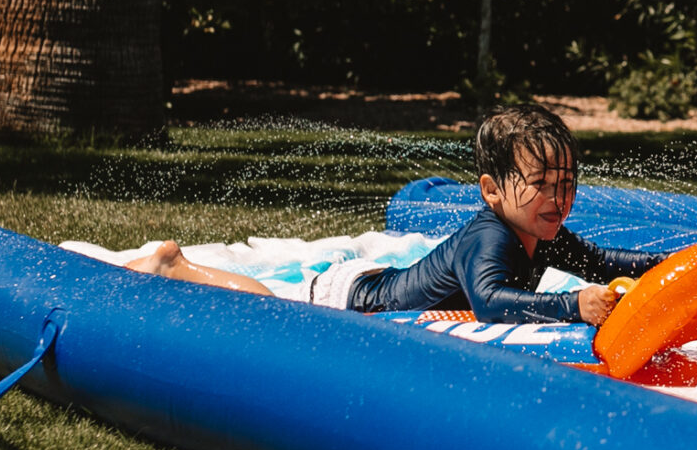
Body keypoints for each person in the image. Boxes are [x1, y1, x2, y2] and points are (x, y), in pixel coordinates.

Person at [125, 103, 663, 325]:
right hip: (350, 301)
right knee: (270, 308)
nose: (556, 198)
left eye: (566, 184)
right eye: (541, 184)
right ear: (492, 192)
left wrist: (673, 262)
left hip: (379, 280)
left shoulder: (542, 232)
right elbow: (493, 302)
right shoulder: (491, 239)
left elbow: (599, 258)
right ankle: (178, 266)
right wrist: (574, 304)